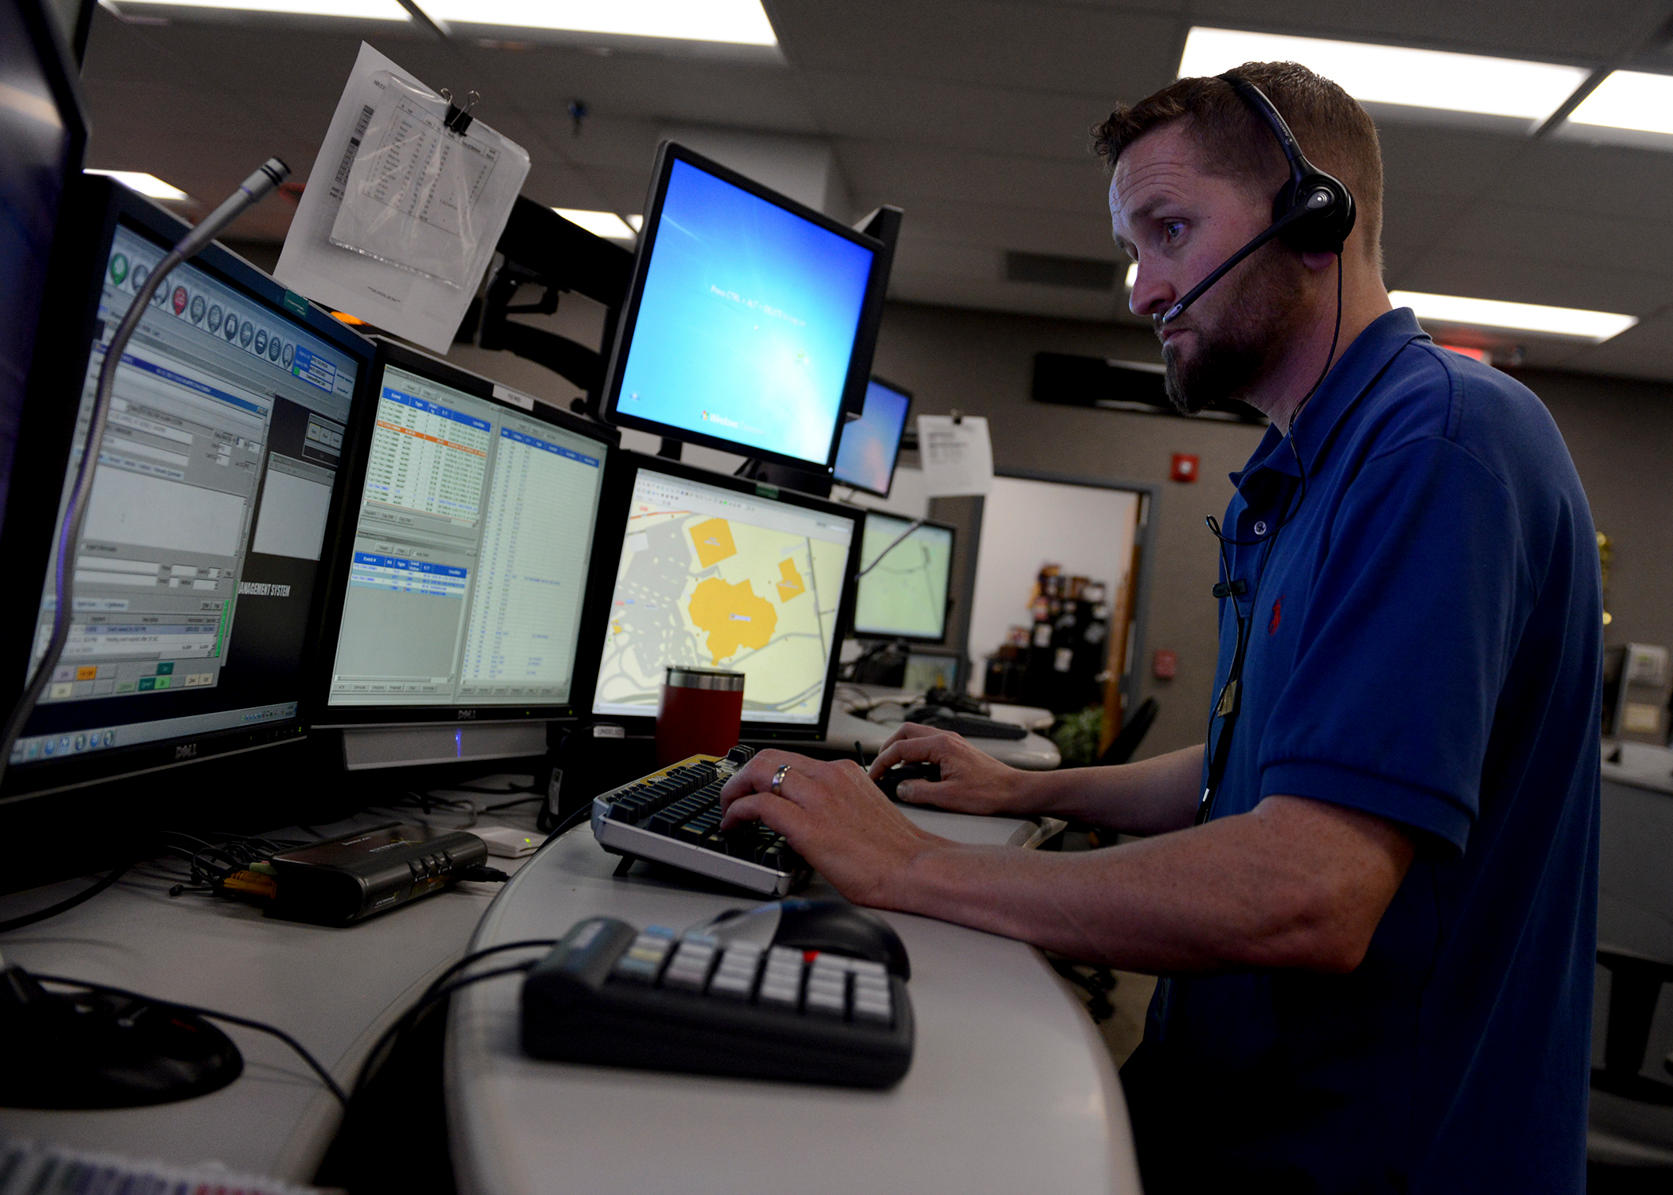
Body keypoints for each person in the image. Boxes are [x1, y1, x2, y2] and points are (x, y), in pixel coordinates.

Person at [720, 61, 1601, 1192]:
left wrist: (908, 865)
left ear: (1310, 215)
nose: (1140, 289)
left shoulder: (1433, 445)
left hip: (1373, 1146)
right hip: (1239, 1102)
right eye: (1131, 248)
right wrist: (1023, 789)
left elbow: (1310, 887)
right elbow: (1265, 765)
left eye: (1168, 231)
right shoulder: (1305, 469)